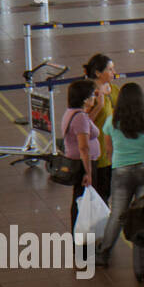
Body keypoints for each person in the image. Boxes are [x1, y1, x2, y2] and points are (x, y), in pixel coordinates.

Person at [96, 82, 144, 268]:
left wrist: (118, 162)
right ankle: (143, 258)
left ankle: (104, 253)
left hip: (121, 171)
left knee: (117, 214)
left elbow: (108, 149)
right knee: (142, 214)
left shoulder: (111, 121)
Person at [60, 78, 100, 236]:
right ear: (85, 99)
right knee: (82, 203)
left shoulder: (72, 113)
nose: (95, 97)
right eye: (93, 95)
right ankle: (82, 239)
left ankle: (80, 237)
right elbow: (84, 147)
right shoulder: (80, 117)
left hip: (78, 162)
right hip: (83, 164)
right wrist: (88, 172)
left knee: (79, 200)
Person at [82, 54, 120, 200]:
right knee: (98, 195)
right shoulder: (89, 94)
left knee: (109, 191)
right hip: (98, 152)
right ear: (98, 73)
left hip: (114, 150)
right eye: (110, 69)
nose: (114, 72)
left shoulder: (114, 90)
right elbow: (83, 123)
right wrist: (99, 106)